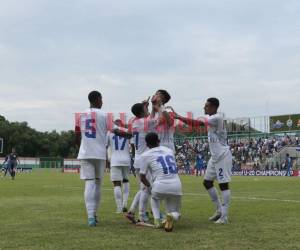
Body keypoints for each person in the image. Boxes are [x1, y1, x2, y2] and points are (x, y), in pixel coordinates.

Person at [171, 97, 232, 224]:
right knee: (207, 183)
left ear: (214, 107)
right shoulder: (213, 120)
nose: (204, 108)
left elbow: (197, 123)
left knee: (223, 185)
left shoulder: (217, 117)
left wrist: (179, 117)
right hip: (215, 157)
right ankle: (219, 210)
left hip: (222, 156)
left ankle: (224, 217)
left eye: (207, 106)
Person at [75, 90, 110, 227]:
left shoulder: (80, 115)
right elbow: (115, 130)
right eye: (101, 99)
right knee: (98, 184)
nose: (102, 102)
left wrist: (83, 147)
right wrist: (128, 134)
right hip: (100, 154)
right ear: (96, 99)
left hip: (85, 152)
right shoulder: (105, 115)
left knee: (89, 183)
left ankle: (91, 217)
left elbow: (76, 136)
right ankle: (94, 213)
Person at [139, 132, 182, 232]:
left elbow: (142, 177)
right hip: (176, 185)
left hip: (160, 185)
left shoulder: (145, 155)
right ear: (159, 141)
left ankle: (157, 220)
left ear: (146, 144)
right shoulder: (169, 150)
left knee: (154, 198)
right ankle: (171, 215)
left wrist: (150, 187)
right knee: (176, 213)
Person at [106, 119, 132, 213]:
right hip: (126, 160)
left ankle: (119, 207)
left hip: (115, 160)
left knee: (116, 184)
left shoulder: (110, 132)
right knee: (126, 181)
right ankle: (125, 204)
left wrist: (106, 162)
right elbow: (132, 144)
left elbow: (105, 146)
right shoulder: (126, 131)